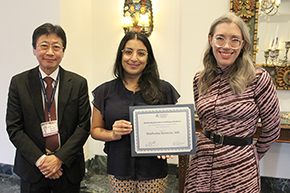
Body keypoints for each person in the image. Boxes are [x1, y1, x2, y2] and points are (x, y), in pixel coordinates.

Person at [184, 12, 280, 192]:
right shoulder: (200, 79)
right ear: (211, 40)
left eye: (235, 40)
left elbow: (273, 130)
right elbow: (205, 122)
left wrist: (248, 156)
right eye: (220, 38)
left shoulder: (258, 78)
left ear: (243, 45)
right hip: (202, 166)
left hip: (239, 170)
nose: (226, 46)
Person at [6, 23, 91, 193]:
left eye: (56, 47)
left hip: (68, 168)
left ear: (63, 51)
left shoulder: (78, 83)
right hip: (33, 168)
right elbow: (14, 128)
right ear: (34, 49)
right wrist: (42, 161)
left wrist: (59, 159)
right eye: (44, 46)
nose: (50, 52)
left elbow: (83, 126)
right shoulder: (19, 83)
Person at [90, 31, 180, 192]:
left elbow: (172, 130)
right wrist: (113, 134)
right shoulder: (105, 91)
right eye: (128, 51)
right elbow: (95, 130)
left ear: (148, 58)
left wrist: (169, 144)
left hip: (154, 170)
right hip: (118, 168)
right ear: (121, 55)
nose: (134, 58)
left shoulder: (164, 90)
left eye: (141, 53)